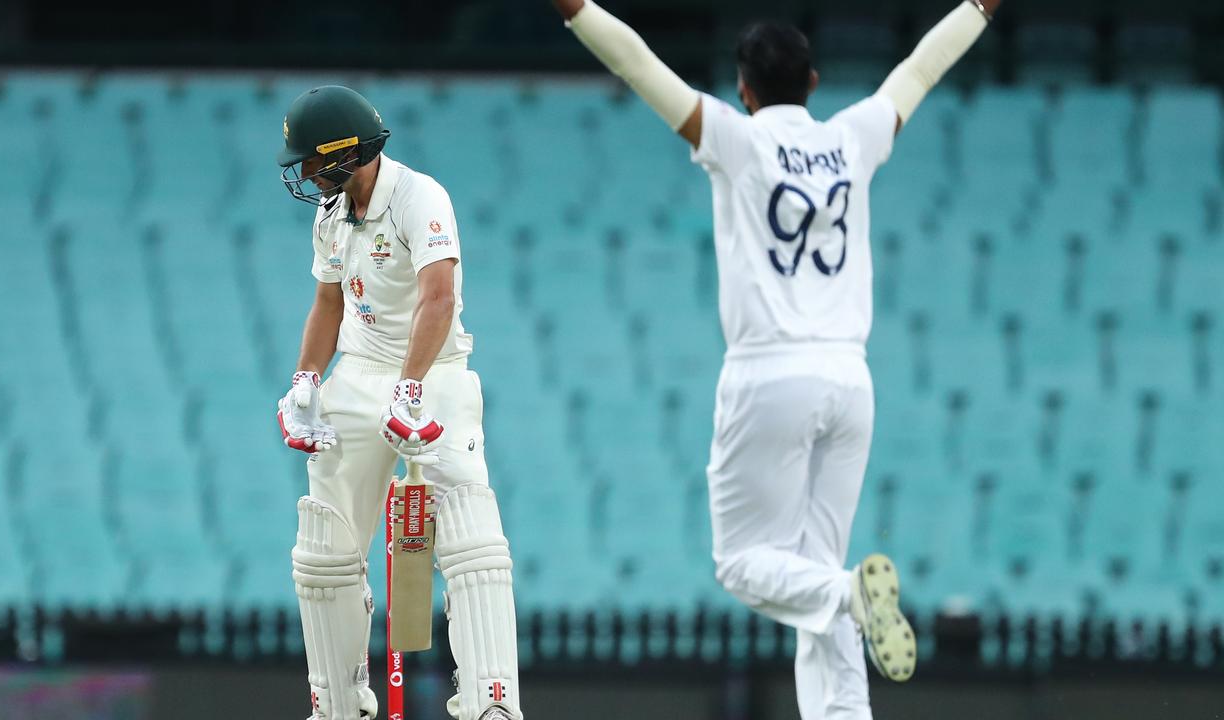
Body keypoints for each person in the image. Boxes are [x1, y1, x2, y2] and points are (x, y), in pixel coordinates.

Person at [551, 0, 1000, 716]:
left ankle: (848, 593)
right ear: (815, 81)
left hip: (770, 373)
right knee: (810, 570)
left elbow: (635, 61)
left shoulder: (735, 137)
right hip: (851, 379)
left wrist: (576, 10)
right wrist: (978, 8)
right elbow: (922, 66)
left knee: (749, 567)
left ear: (744, 89)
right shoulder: (853, 136)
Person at [275, 85, 521, 720]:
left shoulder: (420, 197)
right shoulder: (330, 213)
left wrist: (411, 386)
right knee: (324, 549)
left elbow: (437, 297)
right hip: (356, 377)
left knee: (472, 539)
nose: (304, 174)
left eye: (310, 161)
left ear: (344, 153)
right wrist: (306, 381)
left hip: (434, 370)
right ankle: (337, 704)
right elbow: (330, 301)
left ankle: (491, 704)